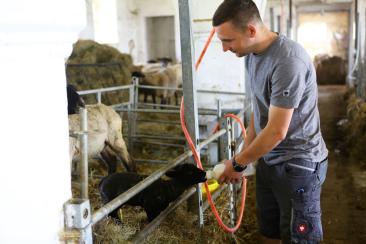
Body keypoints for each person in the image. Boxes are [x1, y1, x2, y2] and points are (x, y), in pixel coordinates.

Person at [212, 0, 328, 243]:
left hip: (298, 164)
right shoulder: (251, 55)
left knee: (298, 238)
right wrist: (244, 159)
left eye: (228, 40)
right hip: (269, 159)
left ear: (251, 31)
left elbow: (276, 130)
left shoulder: (288, 60)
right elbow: (259, 110)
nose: (224, 48)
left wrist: (239, 163)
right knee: (269, 231)